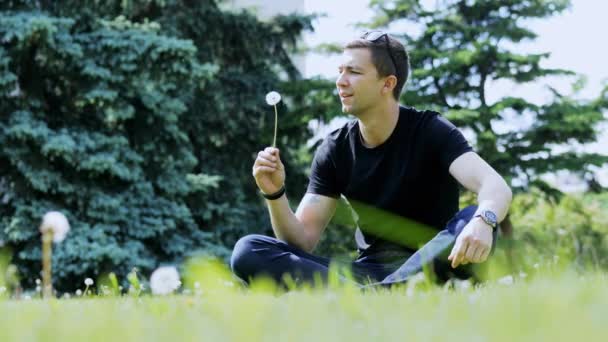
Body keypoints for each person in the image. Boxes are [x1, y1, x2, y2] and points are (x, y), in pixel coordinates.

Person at [231, 31, 512, 287]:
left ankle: (371, 293)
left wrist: (482, 221)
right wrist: (275, 193)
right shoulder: (336, 148)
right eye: (340, 71)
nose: (341, 81)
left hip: (436, 262)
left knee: (470, 217)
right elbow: (302, 241)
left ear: (387, 83)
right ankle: (384, 292)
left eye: (353, 72)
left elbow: (495, 186)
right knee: (249, 249)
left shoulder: (430, 130)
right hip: (370, 272)